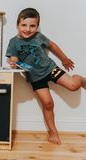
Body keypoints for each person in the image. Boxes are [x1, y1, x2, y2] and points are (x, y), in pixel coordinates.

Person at [6, 8, 86, 144]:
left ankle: (79, 78)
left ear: (37, 27)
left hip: (50, 69)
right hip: (35, 78)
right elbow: (13, 58)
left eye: (32, 26)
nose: (28, 29)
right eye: (24, 25)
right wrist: (14, 63)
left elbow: (52, 46)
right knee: (48, 103)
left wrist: (64, 59)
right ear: (17, 25)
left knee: (73, 86)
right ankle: (53, 132)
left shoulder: (39, 37)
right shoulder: (13, 42)